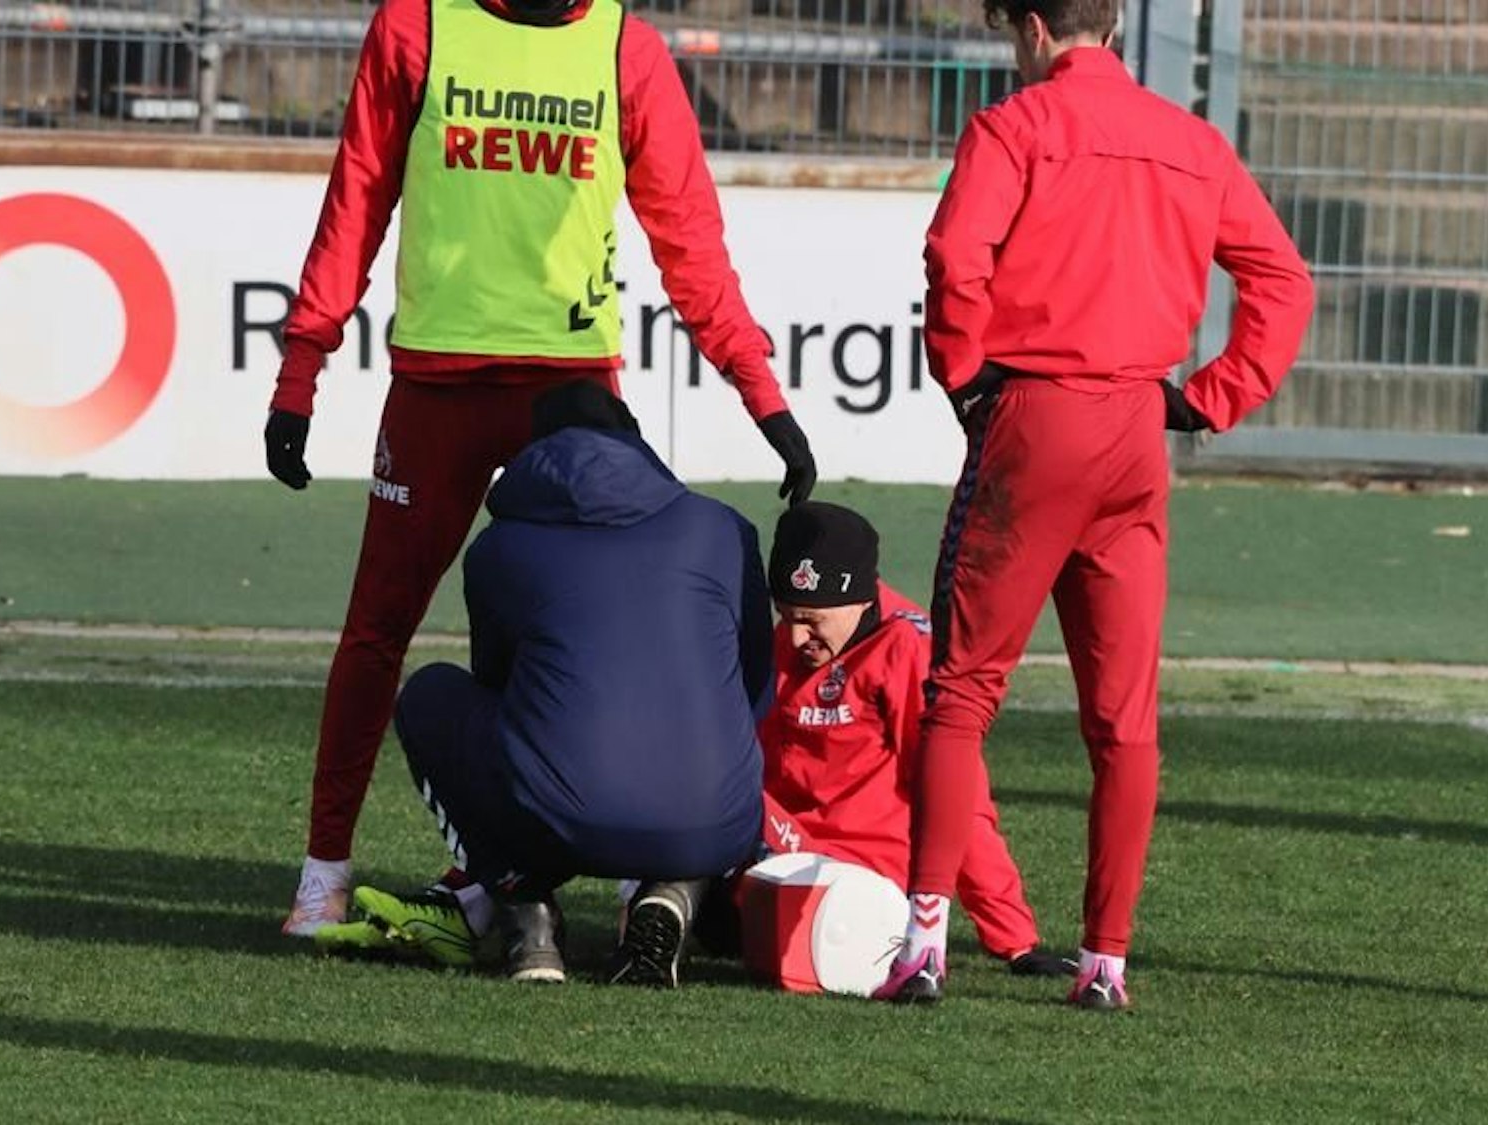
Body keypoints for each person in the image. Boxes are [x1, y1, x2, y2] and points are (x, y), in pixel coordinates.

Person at [266, 0, 817, 937]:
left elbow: (690, 243)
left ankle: (627, 876)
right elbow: (356, 203)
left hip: (573, 399)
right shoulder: (416, 26)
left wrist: (762, 395)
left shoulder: (625, 48)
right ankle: (327, 877)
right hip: (438, 388)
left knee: (611, 631)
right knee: (377, 630)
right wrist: (301, 369)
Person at [881, 0, 1314, 1007]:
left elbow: (955, 257)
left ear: (1033, 28)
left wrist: (963, 375)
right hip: (1134, 428)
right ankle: (1106, 961)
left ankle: (923, 942)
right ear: (1113, 26)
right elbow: (1283, 283)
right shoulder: (1188, 140)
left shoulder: (1013, 126)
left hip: (1036, 415)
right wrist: (1208, 397)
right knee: (1123, 719)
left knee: (961, 691)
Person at [319, 382, 772, 983]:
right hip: (717, 823)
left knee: (430, 696)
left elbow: (500, 689)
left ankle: (528, 921)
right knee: (712, 737)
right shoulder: (723, 529)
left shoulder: (498, 549)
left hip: (559, 814)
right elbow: (755, 685)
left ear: (532, 456)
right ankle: (673, 892)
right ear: (638, 447)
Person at [754, 501, 1061, 974]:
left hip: (859, 877)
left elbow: (956, 798)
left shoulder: (906, 652)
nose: (796, 638)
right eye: (786, 615)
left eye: (811, 621)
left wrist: (1015, 941)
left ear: (860, 600)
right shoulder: (788, 643)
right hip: (778, 848)